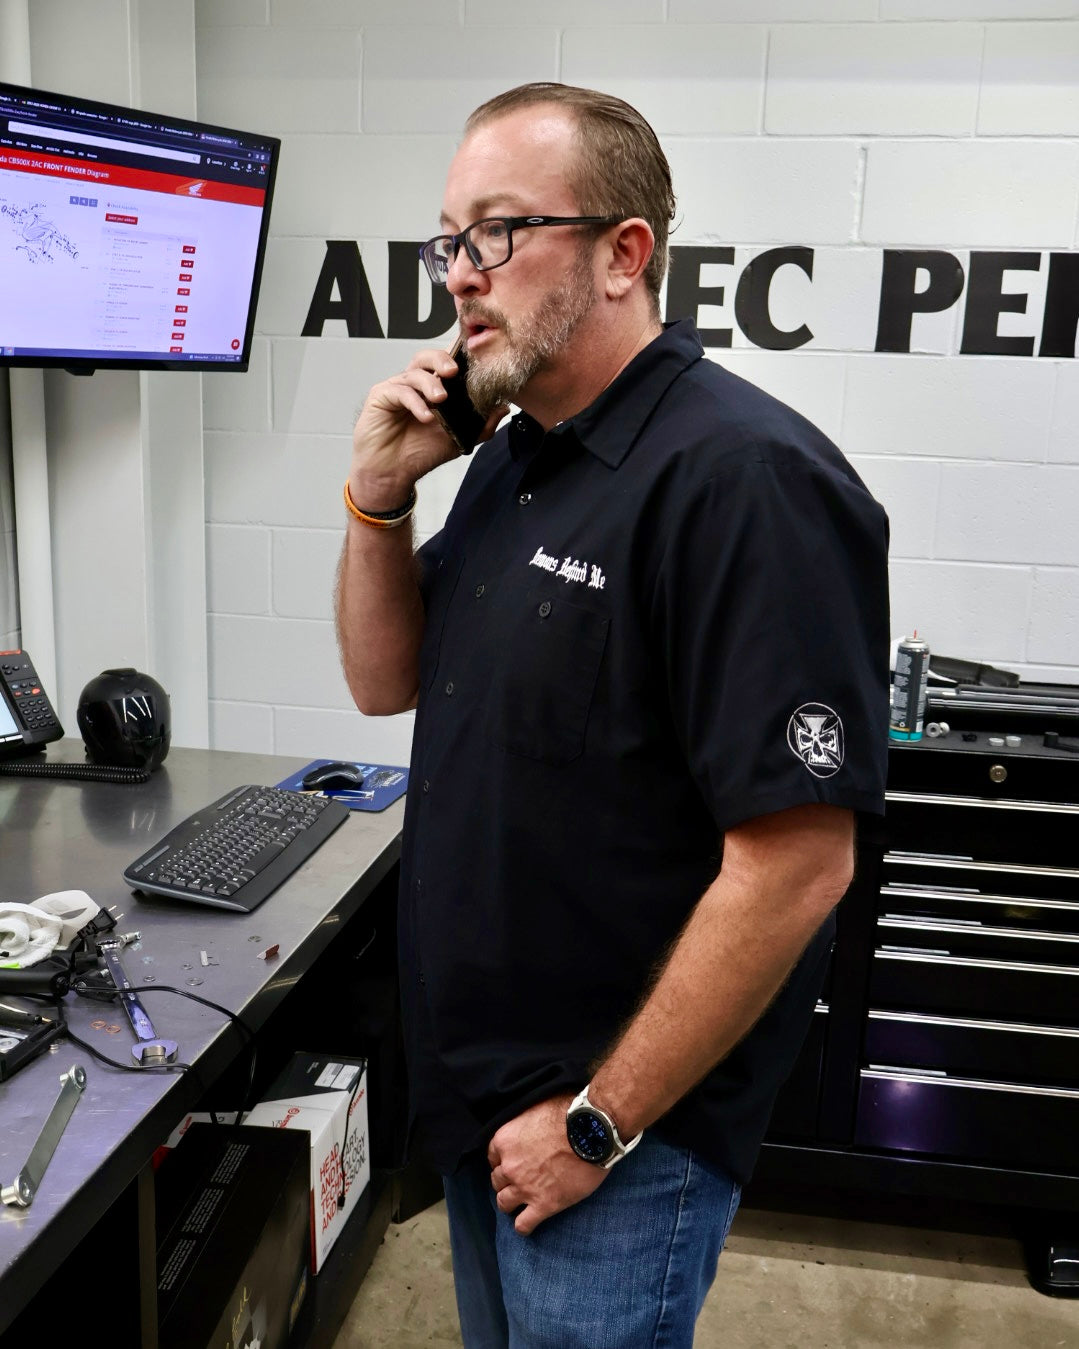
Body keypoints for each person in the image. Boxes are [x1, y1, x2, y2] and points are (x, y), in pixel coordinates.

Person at [335, 82, 889, 1349]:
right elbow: (385, 678)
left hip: (613, 1135)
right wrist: (375, 497)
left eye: (495, 233)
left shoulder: (744, 479)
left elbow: (799, 864)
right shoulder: (516, 453)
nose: (458, 277)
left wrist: (596, 1119)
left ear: (621, 254)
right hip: (483, 1091)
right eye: (446, 239)